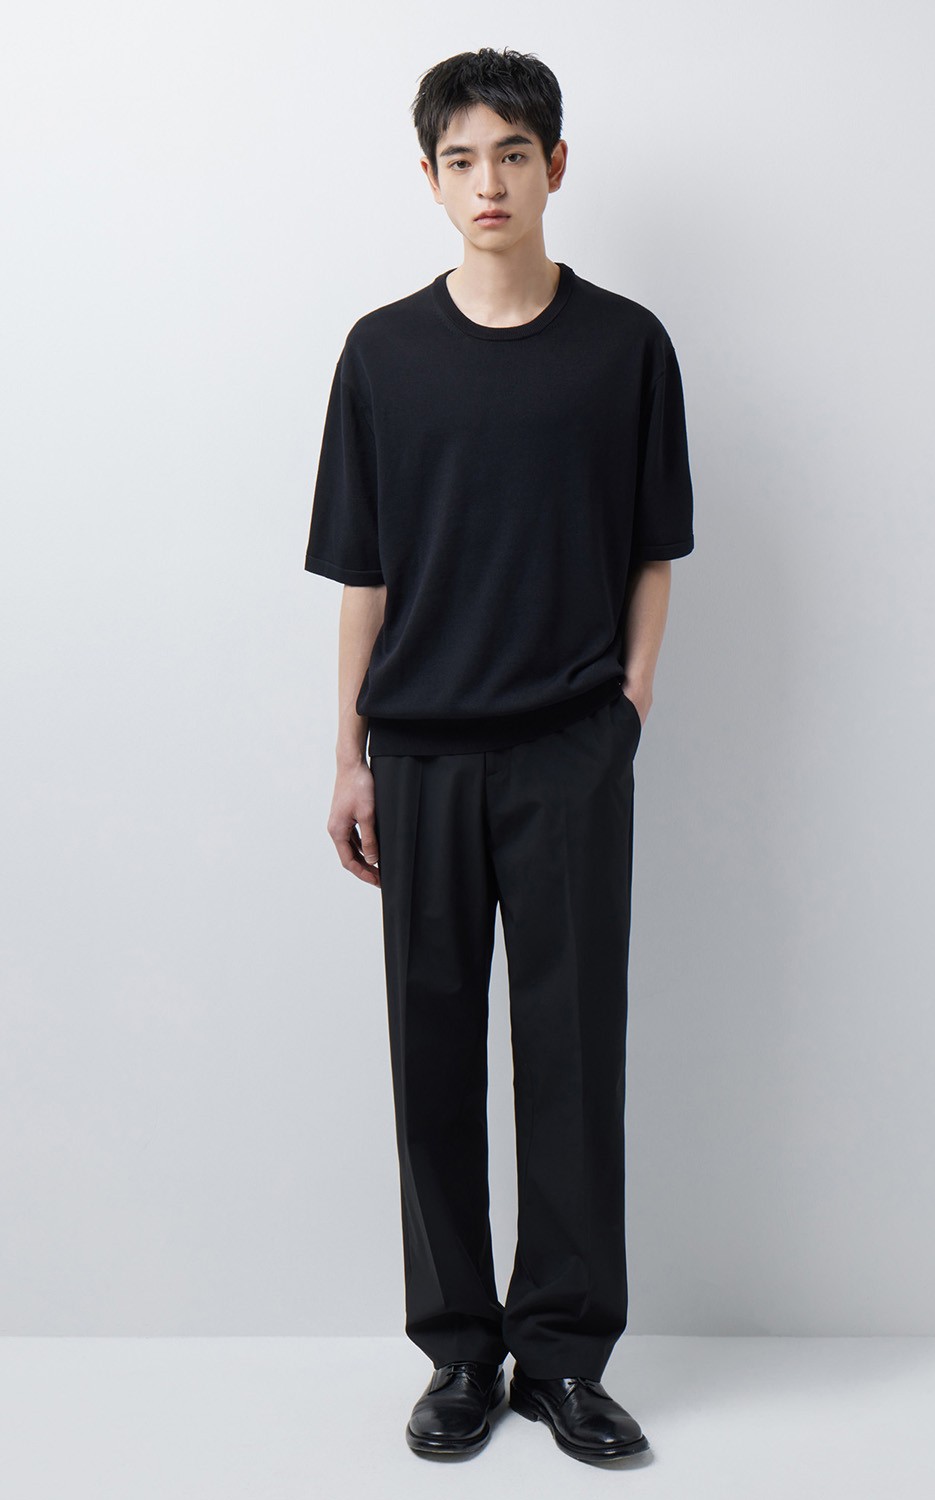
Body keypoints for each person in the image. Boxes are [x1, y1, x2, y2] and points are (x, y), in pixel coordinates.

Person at [304, 46, 694, 1464]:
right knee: (433, 1056)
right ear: (429, 178)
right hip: (418, 754)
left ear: (555, 167)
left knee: (574, 1054)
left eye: (513, 154)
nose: (489, 183)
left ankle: (566, 1358)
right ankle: (461, 1353)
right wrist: (348, 755)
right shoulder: (383, 354)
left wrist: (628, 705)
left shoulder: (625, 347)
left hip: (570, 749)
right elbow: (364, 574)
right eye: (462, 159)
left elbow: (655, 545)